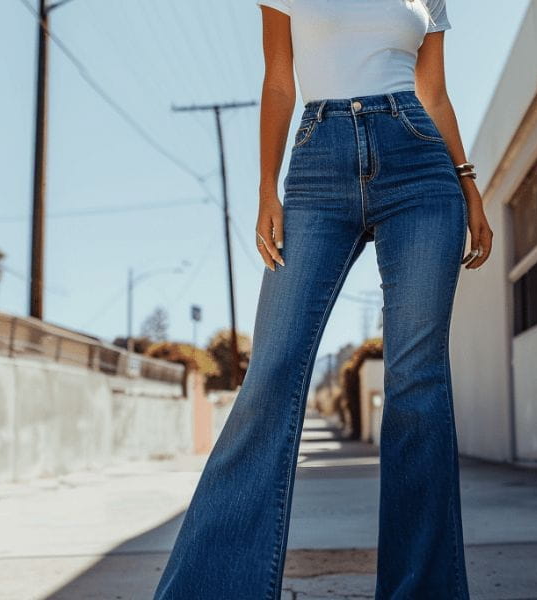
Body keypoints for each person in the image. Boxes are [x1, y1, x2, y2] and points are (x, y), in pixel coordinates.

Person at [153, 0, 493, 598]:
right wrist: (266, 187)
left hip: (420, 164)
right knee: (272, 375)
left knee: (418, 385)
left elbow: (434, 93)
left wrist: (469, 188)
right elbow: (279, 79)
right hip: (317, 166)